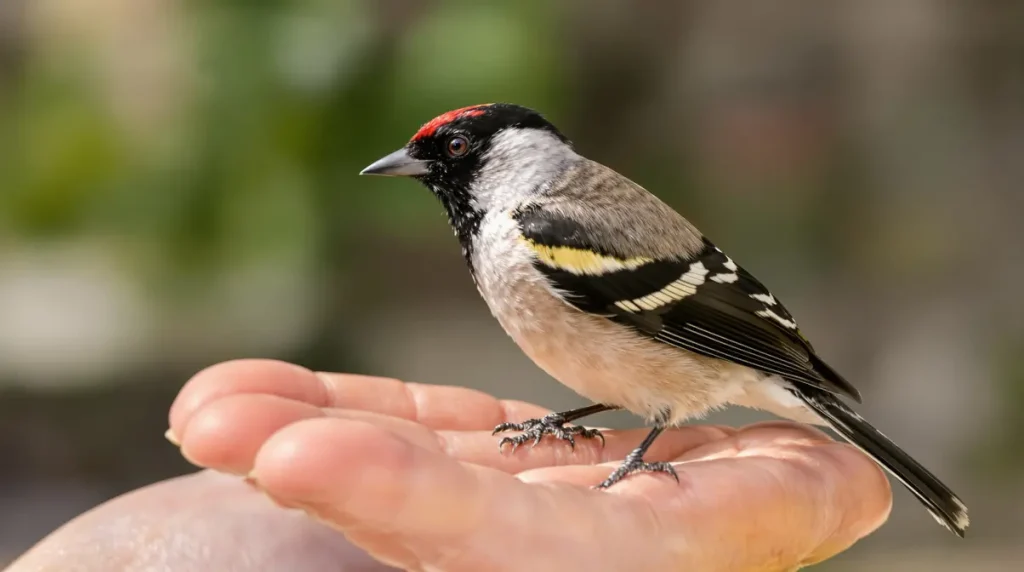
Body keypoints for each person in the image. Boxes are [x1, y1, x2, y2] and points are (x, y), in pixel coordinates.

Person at [5, 360, 892, 571]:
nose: (420, 164)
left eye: (452, 150)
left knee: (652, 406)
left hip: (706, 361)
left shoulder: (545, 226)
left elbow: (664, 350)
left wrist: (633, 463)